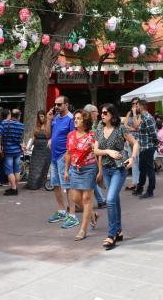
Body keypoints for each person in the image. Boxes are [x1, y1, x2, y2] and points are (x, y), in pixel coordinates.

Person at [93, 103, 138, 250]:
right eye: (101, 112)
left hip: (119, 168)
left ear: (112, 115)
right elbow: (96, 150)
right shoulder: (99, 128)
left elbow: (135, 143)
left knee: (110, 200)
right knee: (115, 200)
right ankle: (118, 231)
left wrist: (132, 158)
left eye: (105, 113)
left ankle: (111, 235)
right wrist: (107, 153)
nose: (102, 115)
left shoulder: (120, 129)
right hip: (106, 169)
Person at [63, 110, 99, 239]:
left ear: (85, 120)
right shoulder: (71, 135)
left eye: (78, 118)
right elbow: (68, 153)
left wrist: (99, 172)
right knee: (75, 198)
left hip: (89, 168)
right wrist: (66, 170)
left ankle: (83, 230)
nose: (75, 120)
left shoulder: (92, 135)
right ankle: (92, 214)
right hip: (74, 169)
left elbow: (97, 154)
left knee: (86, 199)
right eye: (75, 118)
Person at [46, 95, 75, 224]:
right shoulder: (56, 118)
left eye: (59, 104)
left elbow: (74, 138)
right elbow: (48, 134)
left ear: (66, 104)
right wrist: (48, 119)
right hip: (53, 156)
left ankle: (72, 215)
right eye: (55, 104)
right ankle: (62, 211)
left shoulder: (71, 119)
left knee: (67, 186)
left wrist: (67, 154)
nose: (56, 107)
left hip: (64, 157)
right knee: (56, 185)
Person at [0, 109, 25, 196]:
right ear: (19, 116)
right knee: (17, 170)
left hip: (8, 150)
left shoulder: (5, 123)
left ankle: (13, 189)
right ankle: (15, 186)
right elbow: (20, 139)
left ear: (11, 115)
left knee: (9, 171)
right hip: (17, 151)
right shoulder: (21, 126)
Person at [134, 100, 159, 199]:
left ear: (141, 107)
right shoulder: (143, 117)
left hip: (148, 147)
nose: (136, 108)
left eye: (137, 106)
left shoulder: (148, 118)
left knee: (149, 169)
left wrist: (155, 144)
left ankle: (150, 191)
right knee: (142, 168)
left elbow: (154, 133)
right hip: (143, 147)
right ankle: (140, 188)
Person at [83, 104, 106, 209]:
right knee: (92, 179)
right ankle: (100, 200)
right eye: (96, 111)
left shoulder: (95, 124)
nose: (98, 114)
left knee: (93, 179)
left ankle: (100, 200)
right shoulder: (87, 125)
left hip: (93, 155)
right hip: (88, 156)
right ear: (91, 113)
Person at [26, 110, 52, 190]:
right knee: (34, 166)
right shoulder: (37, 125)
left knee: (44, 166)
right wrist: (29, 146)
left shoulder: (49, 124)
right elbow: (34, 137)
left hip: (45, 148)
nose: (41, 118)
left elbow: (51, 135)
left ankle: (42, 184)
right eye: (39, 116)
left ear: (45, 116)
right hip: (37, 148)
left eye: (42, 116)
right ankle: (33, 184)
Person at [124, 98, 141, 191]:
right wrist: (133, 129)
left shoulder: (140, 114)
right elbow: (125, 125)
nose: (134, 105)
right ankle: (135, 182)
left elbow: (137, 126)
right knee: (132, 161)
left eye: (136, 103)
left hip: (137, 141)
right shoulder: (128, 113)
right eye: (132, 103)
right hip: (129, 140)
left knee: (136, 161)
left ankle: (137, 182)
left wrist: (134, 114)